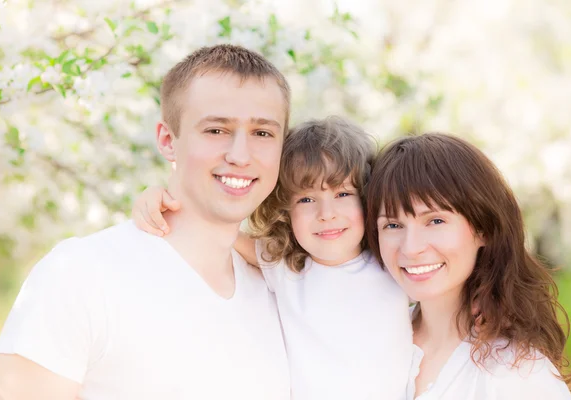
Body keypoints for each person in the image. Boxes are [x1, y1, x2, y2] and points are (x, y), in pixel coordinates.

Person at [0, 45, 291, 400]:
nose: (240, 155)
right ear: (167, 140)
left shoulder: (283, 290)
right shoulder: (81, 273)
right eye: (216, 130)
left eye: (262, 133)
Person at [133, 116, 414, 400]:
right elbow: (212, 226)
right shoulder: (288, 267)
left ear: (366, 198)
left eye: (343, 193)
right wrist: (157, 197)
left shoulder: (392, 263)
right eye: (306, 199)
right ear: (284, 211)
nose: (326, 213)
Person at [365, 133, 571, 399]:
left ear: (483, 228)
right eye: (392, 225)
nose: (411, 247)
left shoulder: (517, 373)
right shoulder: (372, 341)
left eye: (435, 221)